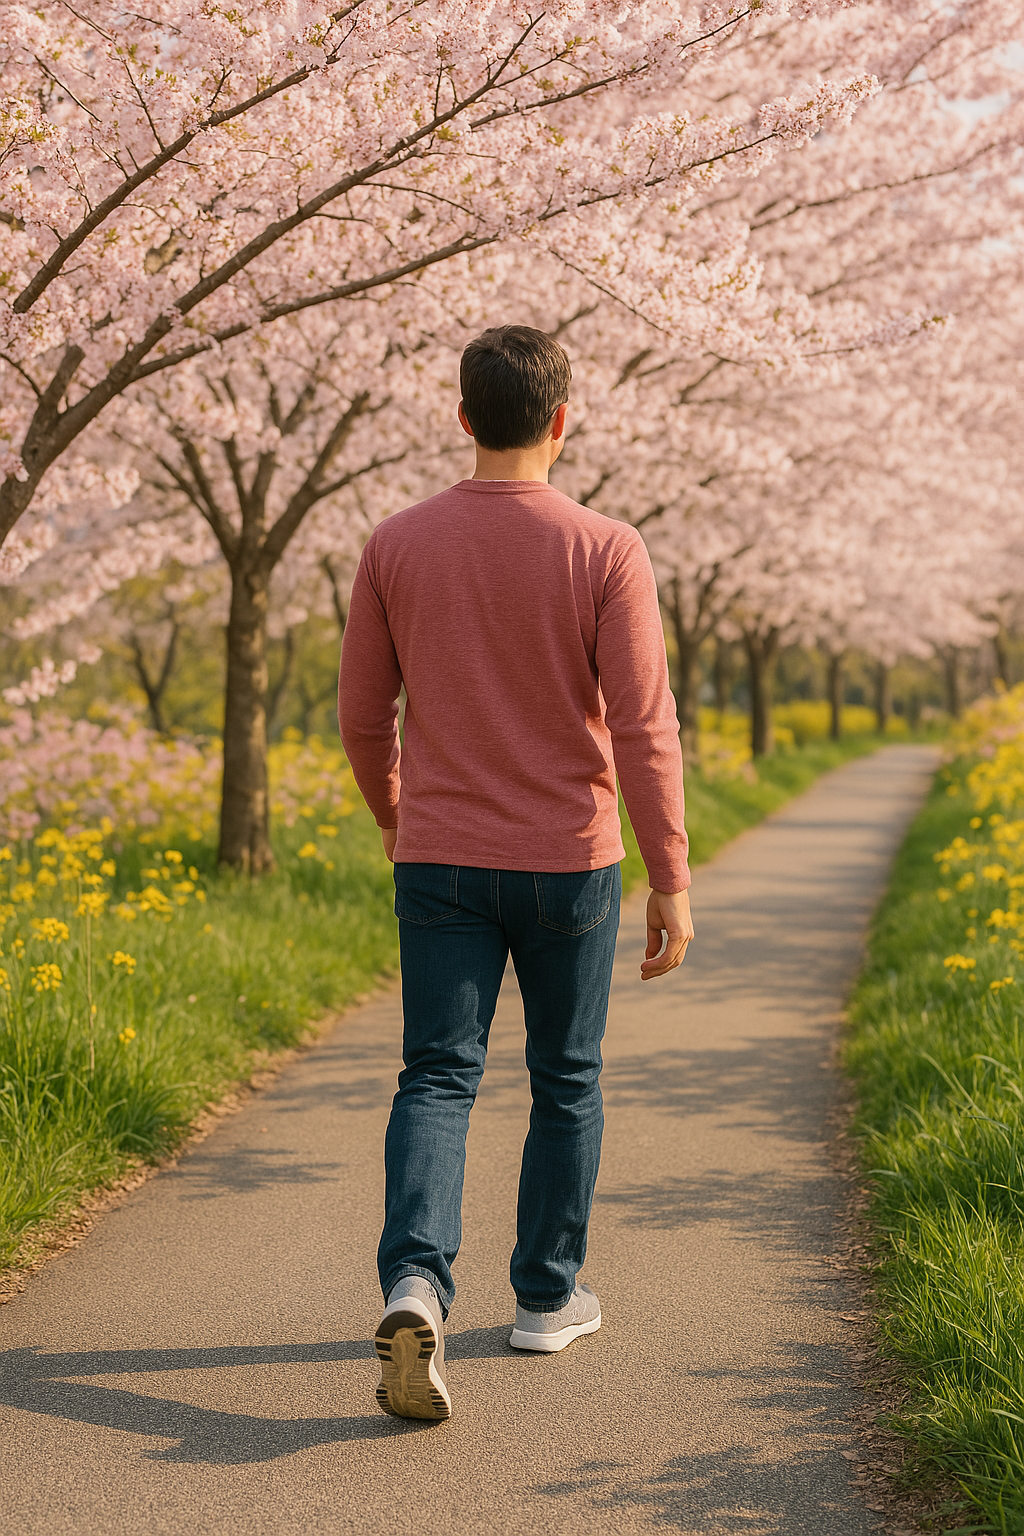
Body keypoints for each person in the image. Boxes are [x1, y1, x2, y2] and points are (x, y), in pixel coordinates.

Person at [338, 324, 693, 1423]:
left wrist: (402, 819)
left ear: (461, 418)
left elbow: (361, 718)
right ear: (560, 419)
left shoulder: (394, 543)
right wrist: (669, 873)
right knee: (566, 1076)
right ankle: (543, 1298)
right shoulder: (606, 547)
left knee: (437, 1076)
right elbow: (641, 724)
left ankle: (415, 1283)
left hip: (439, 853)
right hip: (567, 862)